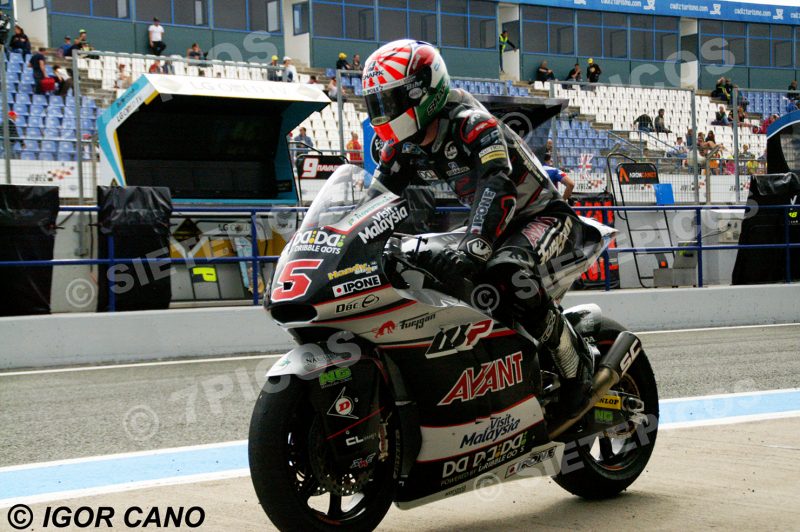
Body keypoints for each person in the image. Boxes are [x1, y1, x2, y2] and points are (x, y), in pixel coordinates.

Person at [361, 40, 596, 417]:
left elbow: (497, 184)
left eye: (390, 100)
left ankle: (575, 366)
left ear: (423, 91)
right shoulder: (398, 147)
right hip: (489, 223)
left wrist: (476, 243)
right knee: (419, 260)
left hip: (541, 215)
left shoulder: (472, 123)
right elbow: (371, 203)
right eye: (377, 103)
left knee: (510, 273)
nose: (383, 112)